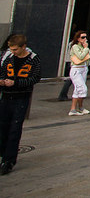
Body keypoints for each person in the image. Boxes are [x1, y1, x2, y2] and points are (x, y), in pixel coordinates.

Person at [0, 35, 41, 175]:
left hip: (21, 97)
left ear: (23, 47)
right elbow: (2, 71)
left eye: (15, 49)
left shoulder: (33, 59)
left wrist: (16, 83)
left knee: (14, 129)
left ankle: (9, 160)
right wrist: (2, 81)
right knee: (2, 126)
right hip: (5, 96)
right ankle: (2, 153)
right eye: (11, 49)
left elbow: (35, 78)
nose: (13, 52)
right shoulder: (8, 57)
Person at [68, 31, 90, 116]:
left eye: (85, 37)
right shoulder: (75, 47)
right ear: (78, 39)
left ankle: (76, 108)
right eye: (82, 37)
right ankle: (76, 108)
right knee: (82, 88)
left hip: (84, 68)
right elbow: (80, 56)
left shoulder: (84, 47)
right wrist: (86, 48)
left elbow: (88, 59)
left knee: (77, 89)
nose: (85, 39)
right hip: (76, 69)